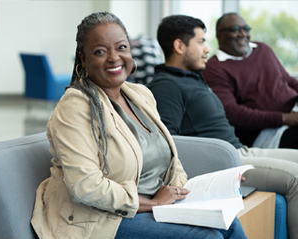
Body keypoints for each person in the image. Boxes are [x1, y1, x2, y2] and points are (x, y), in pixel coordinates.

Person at [31, 12, 246, 239]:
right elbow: (86, 187)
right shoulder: (75, 105)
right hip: (100, 218)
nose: (114, 58)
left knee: (230, 223)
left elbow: (172, 162)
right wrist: (152, 203)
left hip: (155, 206)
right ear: (83, 59)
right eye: (100, 52)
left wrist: (182, 196)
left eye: (121, 47)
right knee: (206, 236)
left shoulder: (141, 94)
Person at [147, 14, 298, 239]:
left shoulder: (192, 77)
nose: (207, 49)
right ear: (179, 46)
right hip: (229, 160)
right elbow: (169, 143)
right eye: (200, 42)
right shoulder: (166, 86)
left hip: (241, 150)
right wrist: (217, 169)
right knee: (295, 177)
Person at [202, 13, 298, 149]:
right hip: (266, 132)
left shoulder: (262, 49)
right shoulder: (213, 68)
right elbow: (232, 113)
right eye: (235, 29)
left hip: (293, 112)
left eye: (246, 29)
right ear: (219, 35)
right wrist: (287, 118)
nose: (243, 34)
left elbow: (289, 81)